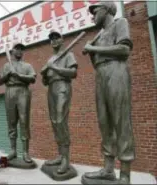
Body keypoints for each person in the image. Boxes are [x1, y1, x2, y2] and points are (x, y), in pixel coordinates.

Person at [82, 2, 135, 184]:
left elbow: (124, 50)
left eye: (95, 11)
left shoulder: (120, 23)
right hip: (101, 74)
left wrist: (93, 48)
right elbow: (96, 61)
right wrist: (91, 52)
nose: (93, 16)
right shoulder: (99, 34)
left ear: (106, 10)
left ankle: (125, 174)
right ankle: (108, 169)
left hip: (116, 71)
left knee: (121, 121)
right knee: (104, 123)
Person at [40, 30, 78, 174]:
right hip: (51, 87)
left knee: (61, 120)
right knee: (55, 122)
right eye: (51, 39)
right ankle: (60, 155)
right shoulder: (50, 59)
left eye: (57, 38)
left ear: (62, 40)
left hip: (63, 86)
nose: (54, 41)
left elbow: (73, 73)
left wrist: (54, 67)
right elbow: (45, 81)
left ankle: (66, 160)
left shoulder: (68, 55)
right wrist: (44, 75)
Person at [0, 42, 36, 163]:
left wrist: (18, 75)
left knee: (24, 121)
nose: (19, 51)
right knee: (11, 122)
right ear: (12, 51)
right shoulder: (6, 66)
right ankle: (13, 150)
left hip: (23, 91)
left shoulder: (27, 65)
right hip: (10, 91)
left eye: (21, 49)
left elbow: (33, 78)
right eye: (17, 49)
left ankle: (25, 152)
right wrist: (8, 73)